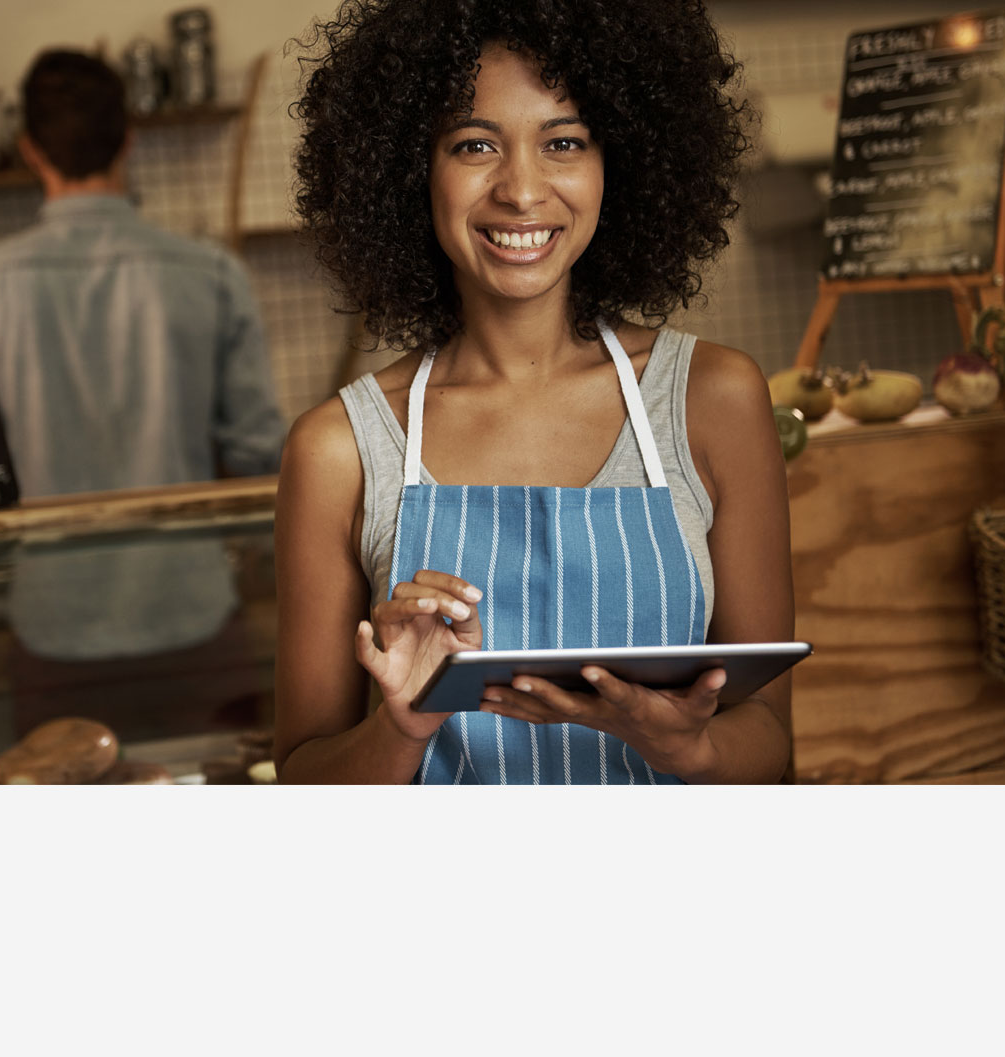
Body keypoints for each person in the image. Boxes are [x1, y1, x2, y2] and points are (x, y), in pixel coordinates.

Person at [275, 0, 795, 784]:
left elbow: (774, 740)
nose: (522, 190)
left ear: (618, 161)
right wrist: (400, 729)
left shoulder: (713, 400)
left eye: (564, 142)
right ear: (409, 170)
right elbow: (304, 777)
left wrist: (693, 745)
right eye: (474, 144)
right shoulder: (339, 449)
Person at [0, 49, 285, 736]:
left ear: (28, 150)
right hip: (192, 610)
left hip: (54, 623)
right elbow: (261, 453)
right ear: (128, 140)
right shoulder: (211, 273)